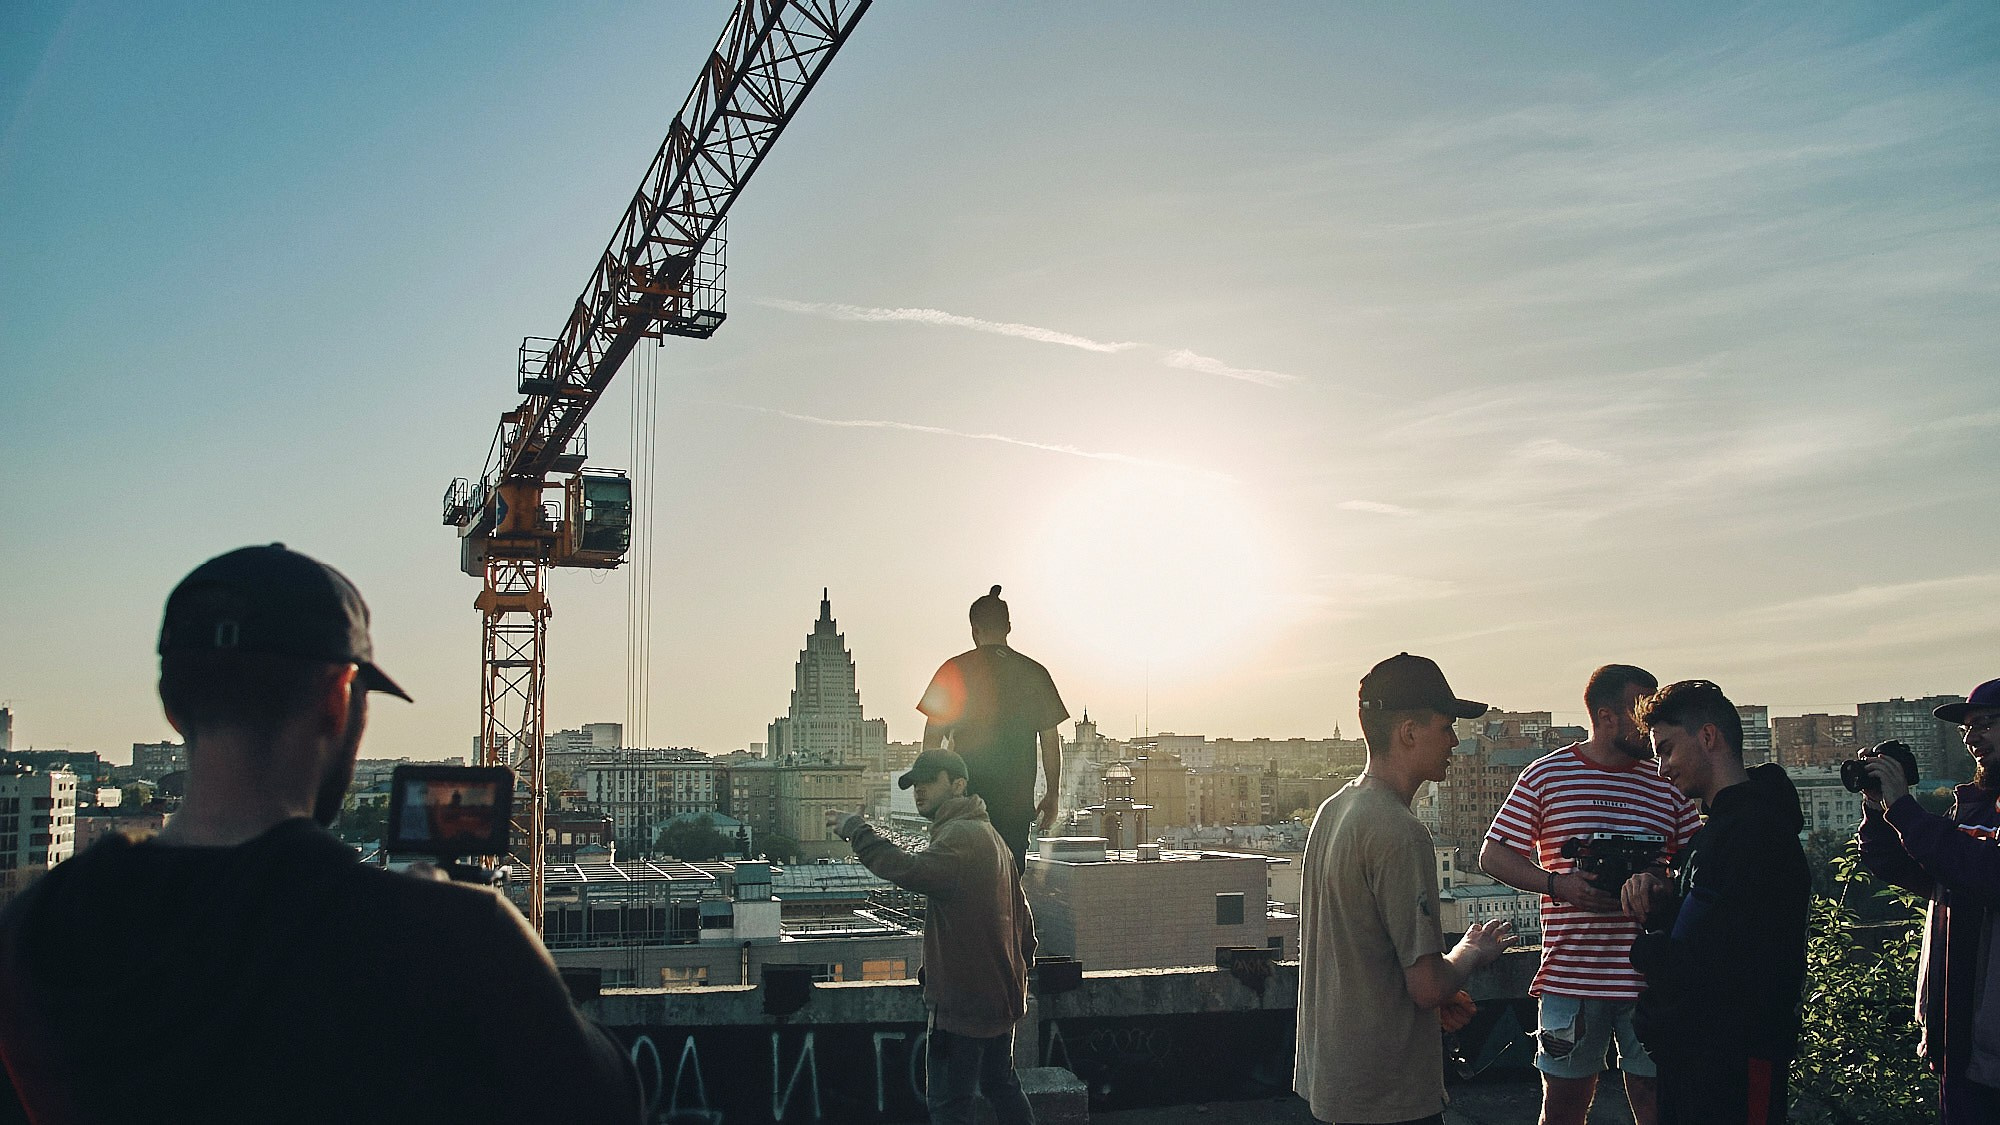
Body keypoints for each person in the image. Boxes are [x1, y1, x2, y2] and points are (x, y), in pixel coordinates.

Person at [0, 544, 641, 1124]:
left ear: (171, 700)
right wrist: (458, 915)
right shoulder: (450, 937)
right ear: (339, 698)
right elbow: (609, 1099)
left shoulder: (37, 928)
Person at [1295, 653, 1517, 1125]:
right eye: (1446, 726)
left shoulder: (1334, 810)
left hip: (1334, 1084)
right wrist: (1472, 952)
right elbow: (1427, 984)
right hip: (1388, 1097)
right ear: (1409, 732)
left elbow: (1359, 950)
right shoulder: (1400, 831)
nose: (1455, 741)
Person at [1481, 664, 1699, 1125]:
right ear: (1605, 716)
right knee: (1563, 1107)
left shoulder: (1667, 781)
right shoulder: (1549, 775)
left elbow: (1698, 866)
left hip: (1651, 974)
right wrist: (1561, 885)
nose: (1652, 720)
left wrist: (1657, 887)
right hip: (1572, 976)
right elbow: (1493, 855)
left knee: (1659, 1101)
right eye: (1642, 709)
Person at [1621, 679, 1809, 1125]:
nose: (1662, 769)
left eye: (1666, 750)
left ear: (1708, 737)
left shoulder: (1753, 833)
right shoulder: (1719, 832)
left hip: (1739, 1061)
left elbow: (1725, 961)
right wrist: (1666, 903)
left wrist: (1650, 947)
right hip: (1701, 1060)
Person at [828, 748, 1036, 1125]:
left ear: (958, 785)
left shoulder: (960, 836)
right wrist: (1014, 972)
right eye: (915, 784)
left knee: (948, 1106)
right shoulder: (991, 836)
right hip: (998, 1001)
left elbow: (909, 870)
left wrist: (857, 831)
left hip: (962, 1008)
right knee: (1001, 1087)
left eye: (929, 781)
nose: (919, 790)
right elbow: (1024, 919)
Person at [1855, 677, 2000, 1123]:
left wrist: (1905, 810)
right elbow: (1925, 872)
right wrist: (1881, 812)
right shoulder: (1973, 806)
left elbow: (1984, 873)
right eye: (1966, 729)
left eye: (1986, 725)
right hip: (1961, 1037)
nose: (1972, 739)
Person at [918, 586, 1068, 870]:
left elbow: (932, 737)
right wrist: (1052, 794)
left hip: (963, 802)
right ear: (1009, 627)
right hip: (1015, 806)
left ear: (974, 630)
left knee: (962, 885)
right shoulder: (1035, 673)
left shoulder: (953, 670)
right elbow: (1050, 741)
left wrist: (934, 791)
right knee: (1008, 887)